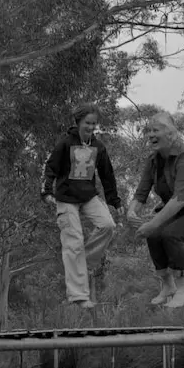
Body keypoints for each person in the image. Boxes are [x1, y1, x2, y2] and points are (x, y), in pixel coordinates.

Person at [127, 111, 184, 308]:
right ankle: (167, 286)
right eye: (149, 131)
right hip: (180, 213)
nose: (150, 135)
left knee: (170, 234)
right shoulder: (152, 161)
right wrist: (131, 211)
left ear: (170, 134)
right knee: (154, 236)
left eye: (156, 130)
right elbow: (141, 193)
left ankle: (183, 288)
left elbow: (179, 199)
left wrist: (152, 223)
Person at [42, 103, 123, 308]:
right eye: (88, 123)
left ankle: (82, 261)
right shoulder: (65, 144)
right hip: (66, 198)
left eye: (94, 124)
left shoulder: (98, 147)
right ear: (78, 122)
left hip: (88, 196)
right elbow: (51, 167)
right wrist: (46, 191)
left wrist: (114, 201)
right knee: (73, 241)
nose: (91, 127)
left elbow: (107, 175)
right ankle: (78, 296)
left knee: (108, 225)